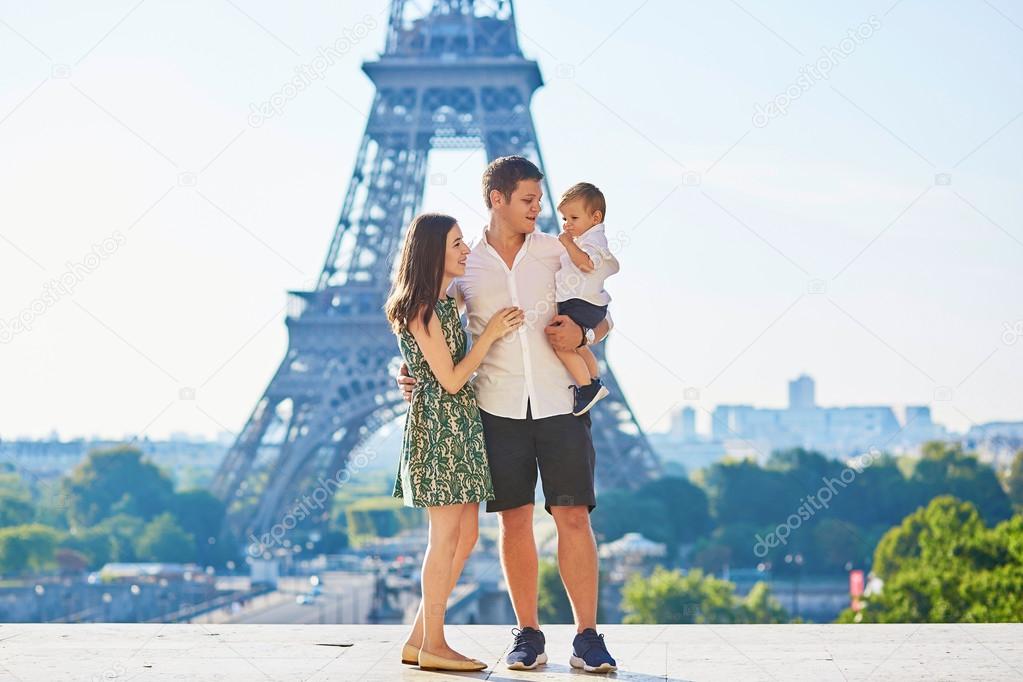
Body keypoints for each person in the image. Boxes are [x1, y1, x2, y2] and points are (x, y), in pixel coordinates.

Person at [397, 157, 619, 674]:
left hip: (561, 400)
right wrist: (405, 374)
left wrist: (583, 337)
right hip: (495, 408)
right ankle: (529, 633)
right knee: (514, 521)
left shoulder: (556, 251)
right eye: (528, 200)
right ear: (497, 199)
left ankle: (587, 636)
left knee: (573, 517)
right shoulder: (464, 265)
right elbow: (425, 323)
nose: (538, 210)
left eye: (541, 201)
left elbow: (604, 314)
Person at [384, 212, 524, 672]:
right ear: (432, 254)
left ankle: (419, 637)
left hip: (459, 427)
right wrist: (489, 337)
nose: (467, 250)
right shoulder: (422, 308)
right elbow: (449, 378)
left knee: (463, 537)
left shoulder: (440, 302)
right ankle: (436, 646)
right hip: (441, 428)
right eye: (457, 244)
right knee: (443, 539)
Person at [554, 182, 619, 416]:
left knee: (561, 343)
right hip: (587, 305)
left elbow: (587, 264)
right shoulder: (586, 238)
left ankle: (587, 386)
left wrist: (567, 243)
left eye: (573, 217)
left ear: (595, 217)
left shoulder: (592, 241)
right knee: (579, 346)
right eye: (564, 219)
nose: (567, 224)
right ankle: (593, 381)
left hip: (581, 303)